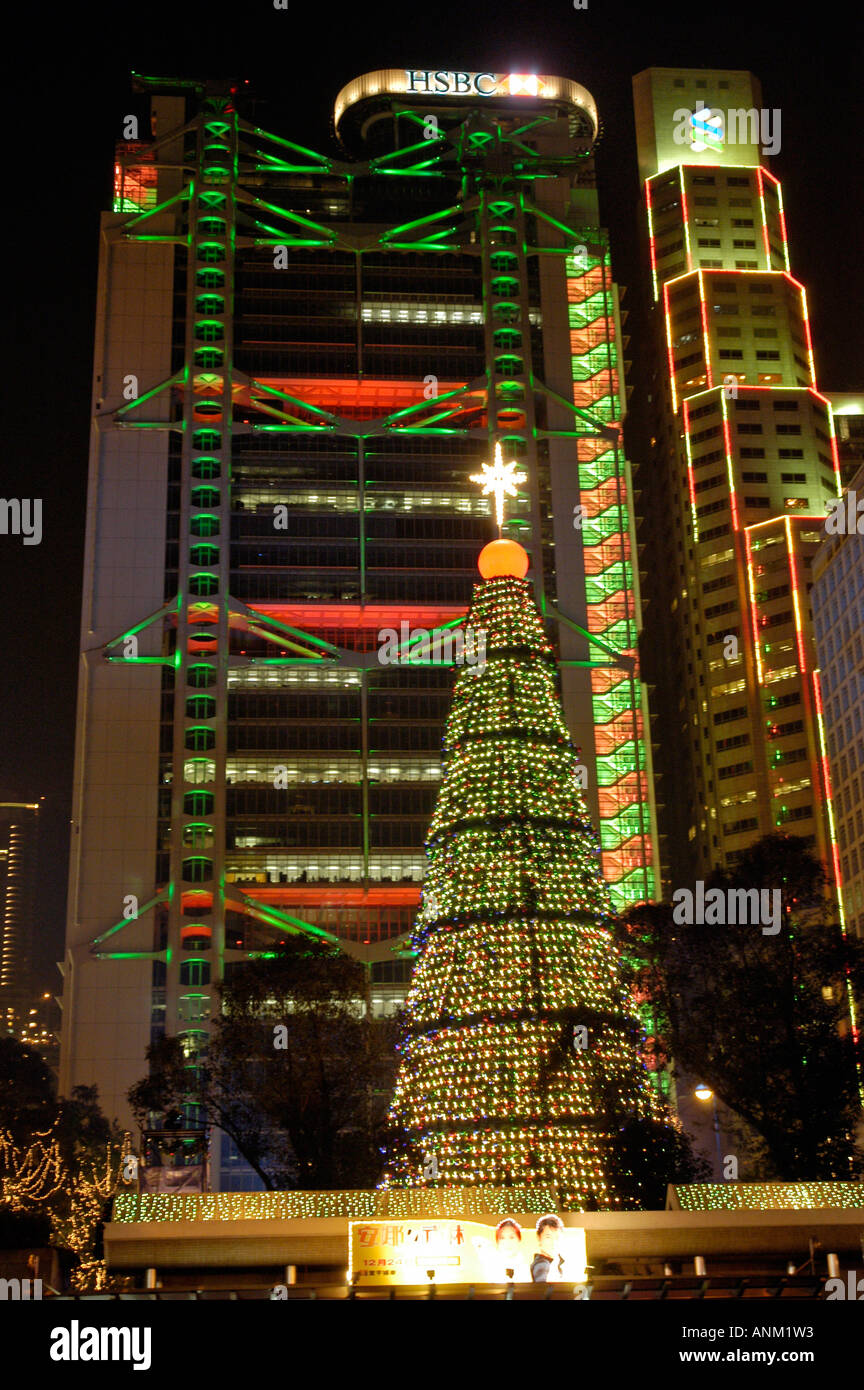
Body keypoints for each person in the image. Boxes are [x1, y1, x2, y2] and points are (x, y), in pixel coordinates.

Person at [493, 1218, 531, 1282]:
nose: (507, 1242)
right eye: (502, 1238)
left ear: (519, 1240)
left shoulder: (525, 1268)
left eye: (511, 1237)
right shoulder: (491, 1267)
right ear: (497, 1242)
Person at [531, 1214, 566, 1282]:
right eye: (548, 1237)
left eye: (557, 1237)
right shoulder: (542, 1264)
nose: (553, 1242)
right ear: (539, 1237)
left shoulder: (557, 1262)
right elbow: (542, 1288)